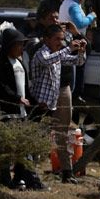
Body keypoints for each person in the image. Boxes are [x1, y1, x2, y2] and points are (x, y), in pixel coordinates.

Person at [29, 24, 86, 183]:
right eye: (57, 39)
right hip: (40, 105)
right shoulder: (42, 53)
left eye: (62, 39)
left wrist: (81, 50)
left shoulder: (57, 54)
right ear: (46, 39)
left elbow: (77, 62)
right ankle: (31, 172)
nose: (60, 42)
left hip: (52, 103)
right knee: (38, 137)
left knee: (62, 134)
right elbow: (49, 60)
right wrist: (68, 48)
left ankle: (67, 171)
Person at [0, 28, 30, 116]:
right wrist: (17, 98)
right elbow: (1, 86)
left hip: (21, 111)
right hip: (5, 112)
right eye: (19, 45)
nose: (22, 48)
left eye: (23, 45)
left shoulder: (19, 62)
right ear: (10, 45)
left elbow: (25, 86)